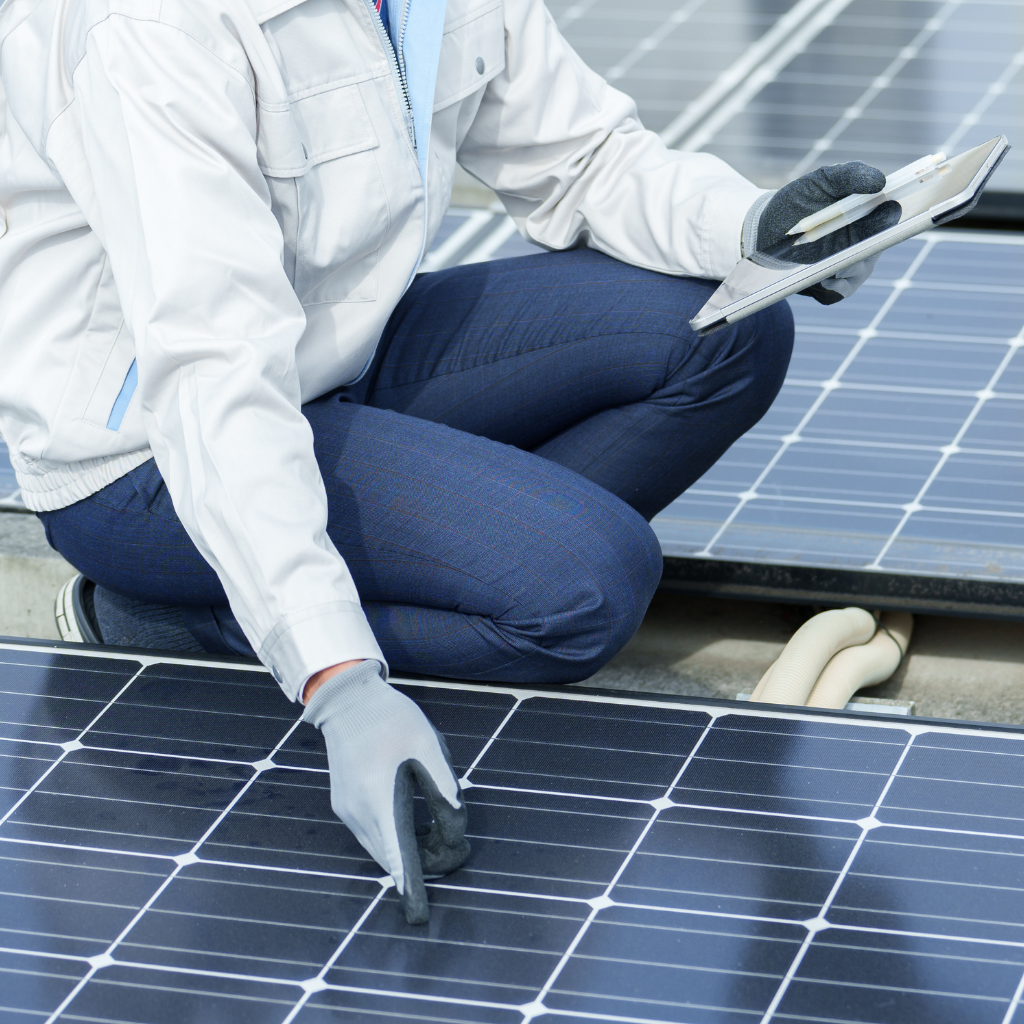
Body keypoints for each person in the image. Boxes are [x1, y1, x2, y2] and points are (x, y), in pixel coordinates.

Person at [0, 0, 898, 923]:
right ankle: (175, 619)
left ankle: (453, 556)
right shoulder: (145, 29)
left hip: (335, 356)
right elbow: (211, 375)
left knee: (727, 335)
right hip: (151, 455)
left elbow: (583, 159)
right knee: (585, 589)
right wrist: (337, 679)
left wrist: (752, 228)